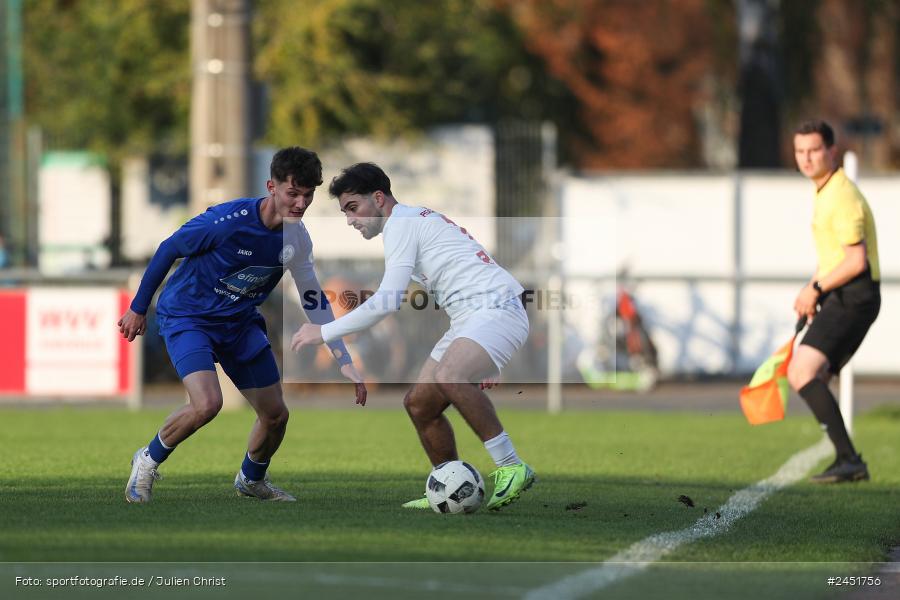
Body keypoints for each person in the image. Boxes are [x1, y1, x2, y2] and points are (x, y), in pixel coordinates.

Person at [118, 147, 366, 503]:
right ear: (272, 187)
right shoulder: (227, 221)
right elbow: (169, 248)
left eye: (307, 196)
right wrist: (138, 309)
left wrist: (342, 356)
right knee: (207, 404)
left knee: (276, 415)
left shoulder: (296, 239)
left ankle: (251, 480)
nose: (299, 204)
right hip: (190, 317)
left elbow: (313, 297)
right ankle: (147, 459)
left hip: (239, 324)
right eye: (292, 193)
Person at [291, 163, 534, 511]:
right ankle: (447, 486)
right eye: (345, 212)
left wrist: (324, 331)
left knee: (450, 375)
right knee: (420, 404)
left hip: (495, 310)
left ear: (378, 198)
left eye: (353, 208)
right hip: (474, 318)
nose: (350, 220)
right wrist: (481, 353)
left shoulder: (402, 224)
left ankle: (511, 466)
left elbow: (387, 301)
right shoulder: (409, 222)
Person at [788, 120, 880, 483]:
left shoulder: (841, 197)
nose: (807, 158)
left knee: (801, 371)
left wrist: (817, 288)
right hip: (843, 295)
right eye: (800, 151)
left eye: (813, 150)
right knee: (814, 376)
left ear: (831, 152)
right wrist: (811, 289)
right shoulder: (825, 191)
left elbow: (856, 261)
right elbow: (832, 259)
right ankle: (847, 460)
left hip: (854, 297)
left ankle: (849, 460)